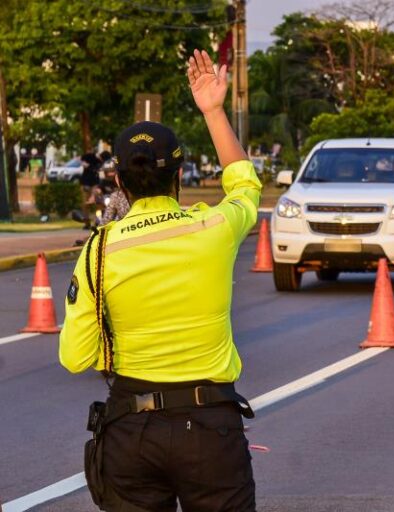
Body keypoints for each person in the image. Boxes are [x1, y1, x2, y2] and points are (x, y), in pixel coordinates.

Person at [59, 49, 260, 511]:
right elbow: (244, 185)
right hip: (211, 428)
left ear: (118, 181)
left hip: (131, 431)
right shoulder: (213, 228)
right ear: (180, 173)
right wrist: (212, 110)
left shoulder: (100, 249)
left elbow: (75, 357)